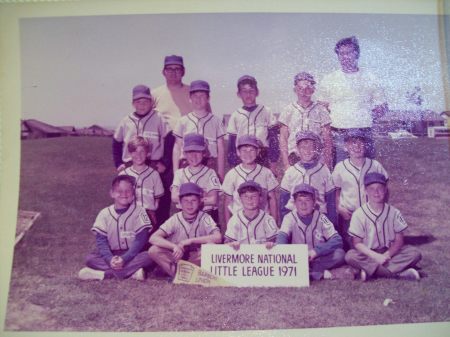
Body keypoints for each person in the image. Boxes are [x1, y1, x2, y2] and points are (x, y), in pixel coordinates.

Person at [316, 36, 388, 167]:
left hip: (364, 132)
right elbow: (322, 107)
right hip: (338, 133)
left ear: (357, 53)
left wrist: (366, 117)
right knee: (341, 172)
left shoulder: (370, 77)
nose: (345, 57)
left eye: (348, 53)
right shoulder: (329, 79)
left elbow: (382, 106)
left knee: (367, 173)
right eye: (341, 54)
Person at [345, 173, 422, 281]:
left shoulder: (394, 212)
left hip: (390, 253)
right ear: (365, 191)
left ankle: (371, 272)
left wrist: (386, 255)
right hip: (369, 253)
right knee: (350, 256)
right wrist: (376, 257)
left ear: (385, 190)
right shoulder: (358, 214)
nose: (376, 192)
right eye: (371, 189)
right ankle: (399, 274)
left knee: (414, 253)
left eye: (379, 188)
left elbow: (399, 241)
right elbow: (357, 243)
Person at [78, 175, 154, 281]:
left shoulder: (140, 211)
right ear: (112, 193)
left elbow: (140, 240)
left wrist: (124, 259)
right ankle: (132, 273)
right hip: (111, 253)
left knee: (150, 256)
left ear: (133, 194)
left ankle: (104, 275)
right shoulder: (104, 213)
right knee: (90, 259)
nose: (124, 194)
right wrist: (110, 259)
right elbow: (101, 241)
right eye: (119, 191)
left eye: (128, 191)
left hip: (133, 253)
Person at [148, 182, 222, 278]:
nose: (189, 204)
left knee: (211, 248)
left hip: (195, 256)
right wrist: (174, 247)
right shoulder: (175, 218)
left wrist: (190, 241)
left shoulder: (205, 217)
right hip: (177, 256)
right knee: (153, 250)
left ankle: (180, 275)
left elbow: (218, 237)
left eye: (194, 200)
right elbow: (153, 238)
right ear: (179, 203)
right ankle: (182, 275)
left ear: (200, 201)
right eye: (185, 201)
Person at [151, 55, 192, 225]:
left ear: (183, 71)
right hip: (164, 148)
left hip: (189, 147)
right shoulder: (155, 93)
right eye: (170, 69)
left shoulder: (192, 91)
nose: (174, 72)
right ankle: (160, 235)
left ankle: (193, 236)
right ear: (163, 72)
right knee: (163, 195)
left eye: (177, 69)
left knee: (190, 194)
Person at [332, 129, 389, 251]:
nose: (357, 146)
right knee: (354, 247)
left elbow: (386, 186)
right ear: (346, 147)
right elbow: (335, 192)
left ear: (365, 146)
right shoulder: (340, 167)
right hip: (349, 214)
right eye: (352, 143)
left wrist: (381, 205)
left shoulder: (375, 165)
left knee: (378, 245)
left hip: (371, 214)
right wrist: (339, 208)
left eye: (360, 142)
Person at [277, 183, 347, 281]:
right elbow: (281, 238)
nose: (303, 204)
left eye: (307, 200)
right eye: (299, 201)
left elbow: (337, 240)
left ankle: (308, 273)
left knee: (340, 254)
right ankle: (319, 274)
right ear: (295, 203)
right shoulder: (289, 218)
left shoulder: (321, 217)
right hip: (298, 259)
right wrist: (290, 254)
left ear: (314, 202)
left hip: (317, 258)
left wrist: (316, 251)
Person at [172, 80, 226, 181]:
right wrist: (175, 172)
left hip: (210, 163)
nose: (198, 99)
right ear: (190, 99)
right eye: (195, 96)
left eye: (202, 96)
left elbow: (221, 149)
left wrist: (221, 174)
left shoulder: (216, 121)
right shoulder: (183, 121)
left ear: (208, 98)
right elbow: (177, 148)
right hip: (187, 164)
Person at [279, 131, 336, 225]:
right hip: (295, 220)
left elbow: (331, 201)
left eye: (311, 147)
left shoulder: (324, 171)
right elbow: (284, 203)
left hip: (320, 219)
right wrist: (284, 225)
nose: (307, 151)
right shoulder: (290, 172)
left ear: (316, 149)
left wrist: (331, 224)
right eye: (303, 147)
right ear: (297, 149)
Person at [279, 72, 333, 170]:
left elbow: (327, 139)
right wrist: (286, 164)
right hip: (294, 157)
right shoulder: (288, 109)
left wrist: (327, 163)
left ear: (313, 90)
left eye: (308, 88)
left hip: (317, 157)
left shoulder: (321, 109)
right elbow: (283, 139)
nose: (304, 92)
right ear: (295, 90)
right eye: (300, 89)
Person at [227, 75, 279, 175]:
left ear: (257, 92)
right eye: (244, 91)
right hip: (242, 158)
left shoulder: (266, 111)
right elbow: (231, 146)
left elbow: (274, 140)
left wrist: (273, 164)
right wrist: (233, 166)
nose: (248, 94)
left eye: (251, 90)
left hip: (263, 157)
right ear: (238, 94)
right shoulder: (235, 115)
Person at [222, 135, 279, 226]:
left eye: (252, 150)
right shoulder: (232, 174)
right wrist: (228, 227)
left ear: (258, 151)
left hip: (262, 221)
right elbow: (227, 202)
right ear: (238, 152)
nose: (248, 154)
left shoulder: (266, 173)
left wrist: (274, 224)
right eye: (244, 150)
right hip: (239, 223)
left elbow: (272, 199)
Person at [112, 84, 165, 172]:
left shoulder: (158, 118)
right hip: (130, 164)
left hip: (154, 164)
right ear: (132, 104)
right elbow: (116, 143)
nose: (142, 105)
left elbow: (169, 140)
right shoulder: (126, 121)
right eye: (138, 102)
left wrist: (164, 162)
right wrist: (118, 163)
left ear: (151, 102)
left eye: (145, 102)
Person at [171, 133, 221, 223]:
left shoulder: (210, 173)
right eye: (190, 152)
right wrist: (202, 197)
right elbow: (174, 197)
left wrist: (185, 199)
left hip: (207, 216)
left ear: (204, 153)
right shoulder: (179, 173)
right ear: (184, 154)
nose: (194, 156)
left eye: (198, 151)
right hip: (185, 217)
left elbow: (213, 200)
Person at [119, 136, 164, 230]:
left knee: (145, 240)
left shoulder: (154, 174)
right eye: (134, 151)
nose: (138, 155)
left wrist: (151, 211)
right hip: (128, 214)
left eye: (142, 151)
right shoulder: (123, 174)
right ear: (130, 153)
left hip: (148, 215)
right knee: (128, 240)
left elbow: (157, 198)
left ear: (147, 153)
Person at [224, 181, 278, 250]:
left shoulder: (268, 219)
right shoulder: (234, 219)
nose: (249, 199)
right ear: (240, 199)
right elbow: (226, 244)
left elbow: (277, 242)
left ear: (260, 198)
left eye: (254, 196)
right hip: (241, 258)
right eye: (245, 196)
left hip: (262, 257)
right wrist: (231, 244)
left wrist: (272, 244)